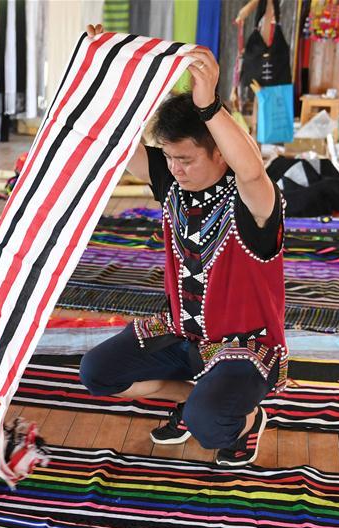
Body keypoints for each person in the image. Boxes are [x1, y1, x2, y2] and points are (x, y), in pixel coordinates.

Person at [79, 25, 286, 466]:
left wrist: (208, 102)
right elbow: (117, 143)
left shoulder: (254, 201)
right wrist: (103, 68)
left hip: (243, 349)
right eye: (168, 157)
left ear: (219, 153)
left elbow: (251, 171)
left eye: (186, 159)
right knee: (97, 373)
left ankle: (247, 417)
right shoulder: (172, 182)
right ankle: (195, 399)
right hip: (181, 333)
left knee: (212, 427)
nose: (174, 169)